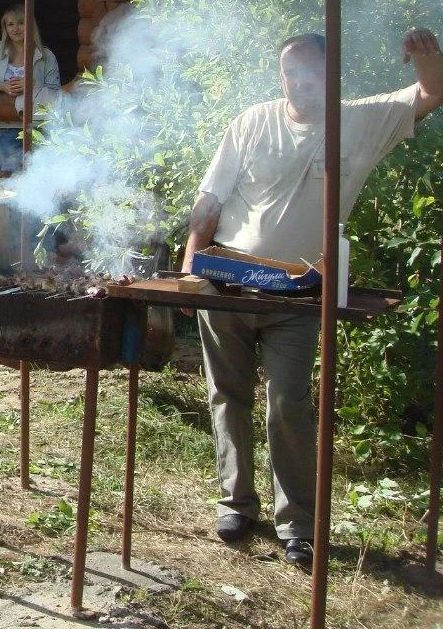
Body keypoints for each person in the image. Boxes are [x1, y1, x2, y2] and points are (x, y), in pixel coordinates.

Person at [181, 28, 443, 568]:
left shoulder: (361, 121)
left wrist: (428, 58)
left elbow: (430, 94)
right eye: (290, 73)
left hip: (300, 291)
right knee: (226, 394)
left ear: (332, 73)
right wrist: (190, 267)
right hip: (229, 277)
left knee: (289, 405)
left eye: (311, 72)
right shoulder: (253, 121)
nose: (300, 83)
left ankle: (297, 522)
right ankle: (237, 504)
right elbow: (210, 199)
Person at [0, 6, 61, 175]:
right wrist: (0, 86)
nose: (16, 28)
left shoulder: (46, 55)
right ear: (5, 28)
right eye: (10, 24)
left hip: (39, 127)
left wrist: (33, 84)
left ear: (30, 25)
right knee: (9, 179)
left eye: (21, 23)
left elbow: (56, 94)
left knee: (40, 178)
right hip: (7, 126)